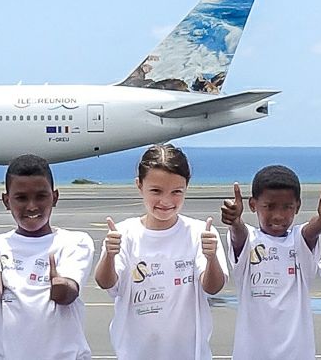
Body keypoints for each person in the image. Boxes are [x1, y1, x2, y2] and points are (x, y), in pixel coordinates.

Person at [94, 144, 226, 359]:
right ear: (139, 185)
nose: (166, 201)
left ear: (186, 188)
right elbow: (106, 283)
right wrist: (109, 255)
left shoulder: (199, 232)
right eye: (156, 191)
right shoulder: (124, 233)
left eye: (176, 192)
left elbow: (212, 287)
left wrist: (211, 258)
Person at [0, 154, 94, 360]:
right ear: (6, 200)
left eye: (41, 196)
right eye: (21, 198)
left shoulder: (76, 242)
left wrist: (61, 286)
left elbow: (68, 294)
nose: (31, 206)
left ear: (55, 197)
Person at [219, 164, 321, 359]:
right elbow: (239, 236)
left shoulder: (297, 240)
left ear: (298, 206)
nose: (278, 216)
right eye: (269, 206)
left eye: (287, 207)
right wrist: (235, 222)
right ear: (253, 205)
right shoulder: (250, 239)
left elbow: (310, 232)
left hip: (296, 353)